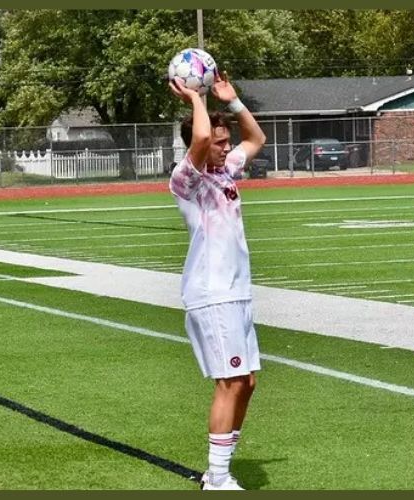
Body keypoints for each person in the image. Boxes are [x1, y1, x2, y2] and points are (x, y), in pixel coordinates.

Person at [168, 72, 266, 491]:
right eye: (219, 143)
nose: (226, 147)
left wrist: (234, 101)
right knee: (229, 382)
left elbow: (256, 140)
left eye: (228, 142)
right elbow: (202, 135)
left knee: (247, 382)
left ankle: (220, 470)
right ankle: (218, 479)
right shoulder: (186, 180)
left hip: (238, 293)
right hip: (213, 295)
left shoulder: (226, 172)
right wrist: (195, 97)